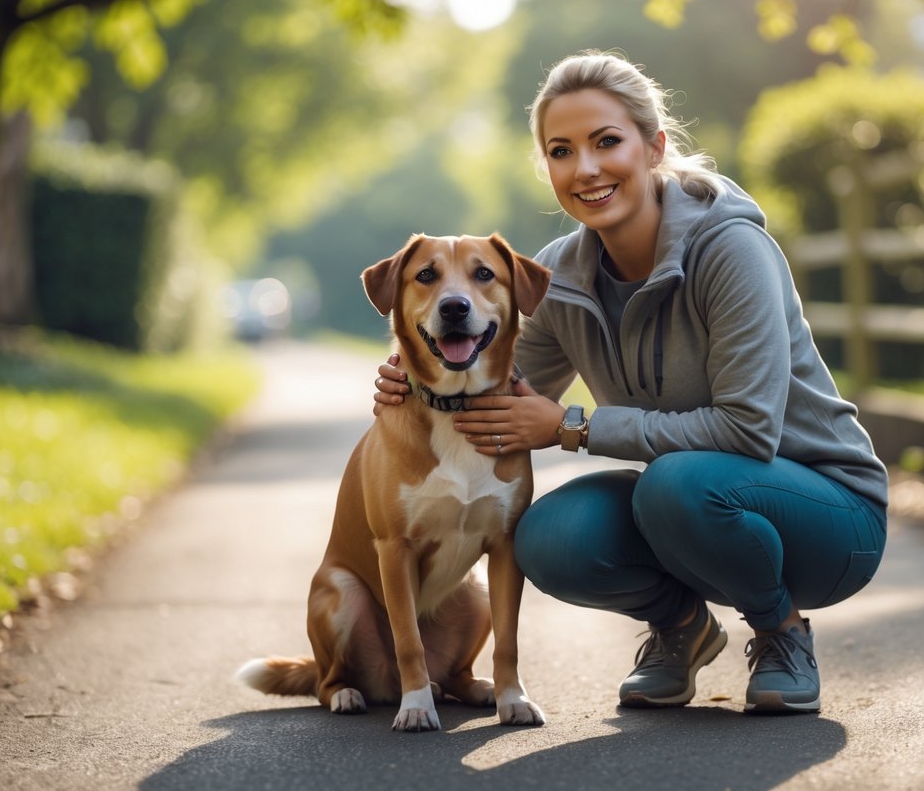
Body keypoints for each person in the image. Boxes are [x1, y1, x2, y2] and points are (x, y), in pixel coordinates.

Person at [374, 50, 888, 714]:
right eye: (561, 151)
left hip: (827, 515)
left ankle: (780, 631)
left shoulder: (730, 250)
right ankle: (681, 629)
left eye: (606, 142)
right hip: (692, 505)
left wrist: (572, 427)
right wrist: (414, 380)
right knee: (545, 536)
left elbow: (747, 430)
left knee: (673, 483)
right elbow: (496, 384)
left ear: (653, 148)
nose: (584, 168)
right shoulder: (559, 278)